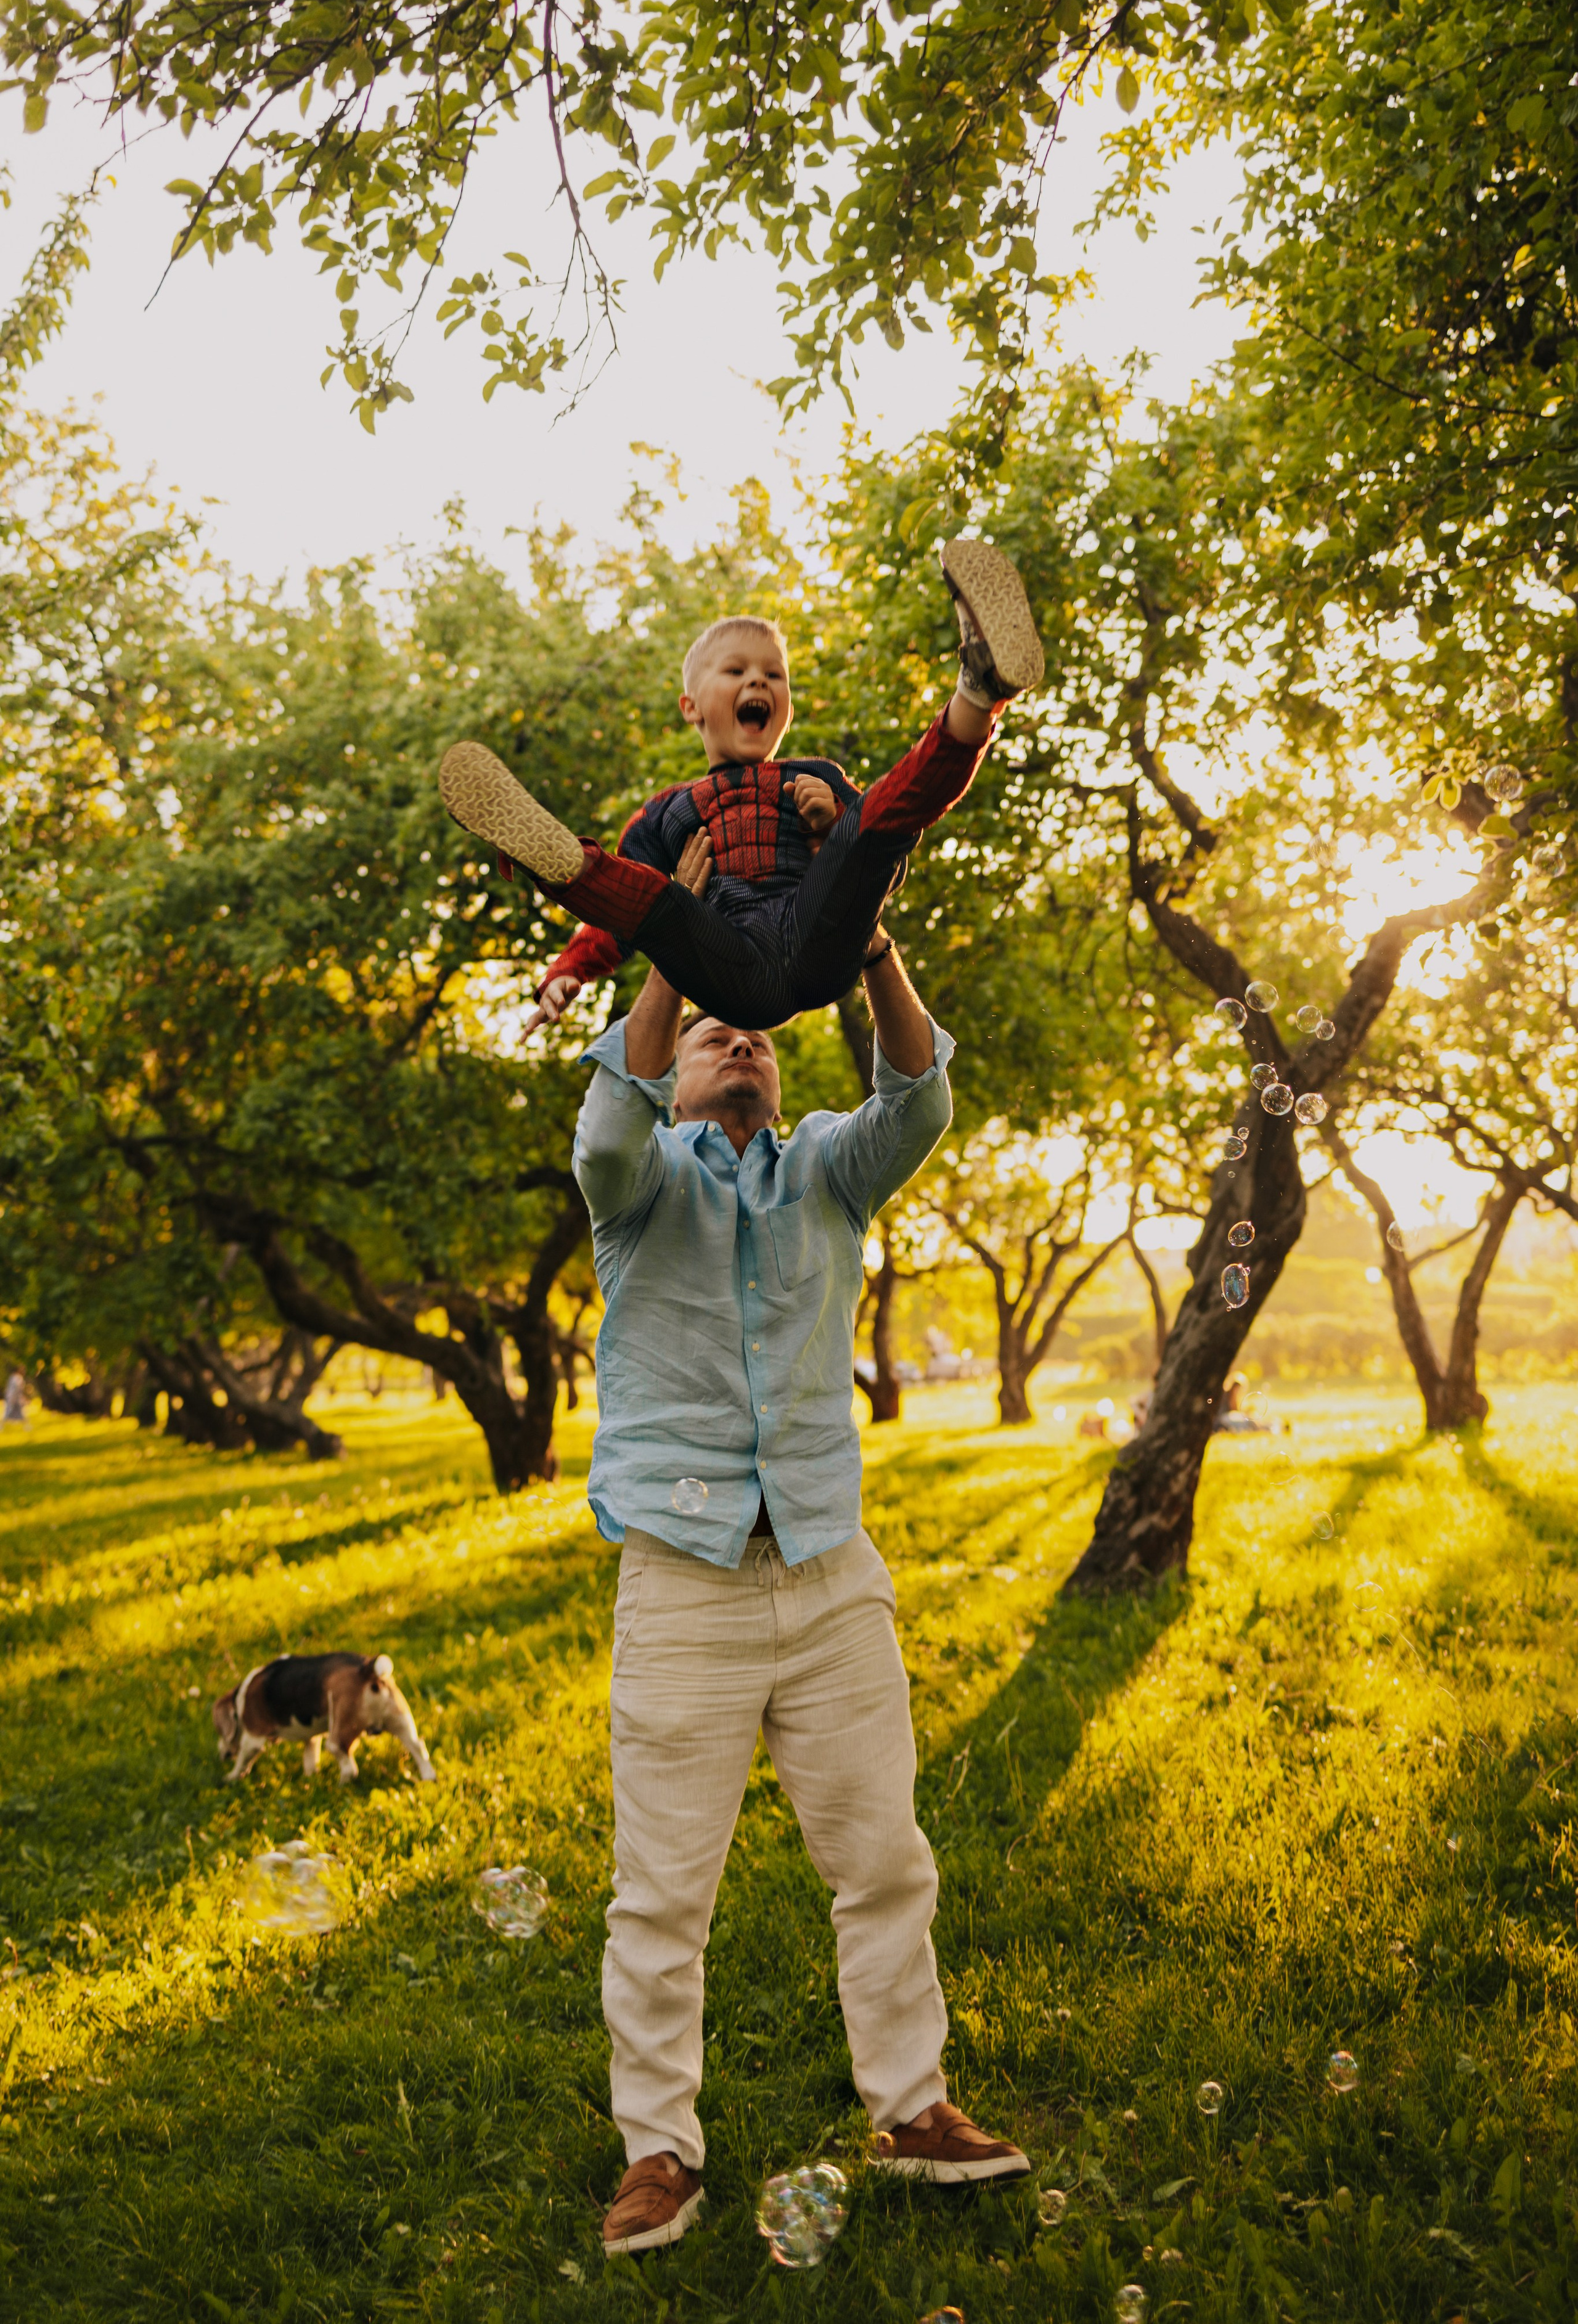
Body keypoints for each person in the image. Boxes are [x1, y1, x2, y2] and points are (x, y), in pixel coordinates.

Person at [572, 941, 1031, 2256]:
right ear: (670, 1063)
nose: (744, 1045)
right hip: (683, 1582)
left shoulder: (829, 1168)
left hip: (830, 1575)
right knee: (660, 1895)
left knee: (882, 1862)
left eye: (763, 1036)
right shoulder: (635, 1182)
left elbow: (920, 1099)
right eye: (716, 1032)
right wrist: (675, 948)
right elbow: (609, 1116)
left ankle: (911, 2111)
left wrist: (868, 944)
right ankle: (657, 2151)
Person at [438, 538, 1043, 1033]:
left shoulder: (818, 778)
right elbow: (617, 923)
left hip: (816, 938)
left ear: (784, 704)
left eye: (773, 675)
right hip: (726, 961)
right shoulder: (665, 814)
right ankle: (558, 861)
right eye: (736, 671)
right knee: (665, 903)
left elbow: (883, 862)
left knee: (868, 827)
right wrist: (569, 969)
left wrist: (835, 824)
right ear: (691, 706)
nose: (759, 681)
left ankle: (980, 686)